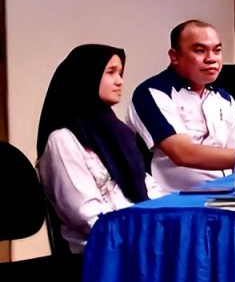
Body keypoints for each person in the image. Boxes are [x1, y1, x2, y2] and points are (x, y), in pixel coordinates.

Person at [129, 19, 235, 193]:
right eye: (200, 51)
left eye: (217, 50)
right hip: (175, 198)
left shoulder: (223, 98)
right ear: (174, 56)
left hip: (227, 191)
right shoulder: (152, 93)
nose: (211, 59)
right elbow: (183, 153)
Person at [37, 44, 163, 253]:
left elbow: (148, 188)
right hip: (102, 251)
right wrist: (143, 233)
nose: (120, 81)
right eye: (111, 72)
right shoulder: (62, 140)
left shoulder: (118, 133)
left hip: (141, 237)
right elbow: (85, 215)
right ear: (87, 76)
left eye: (120, 73)